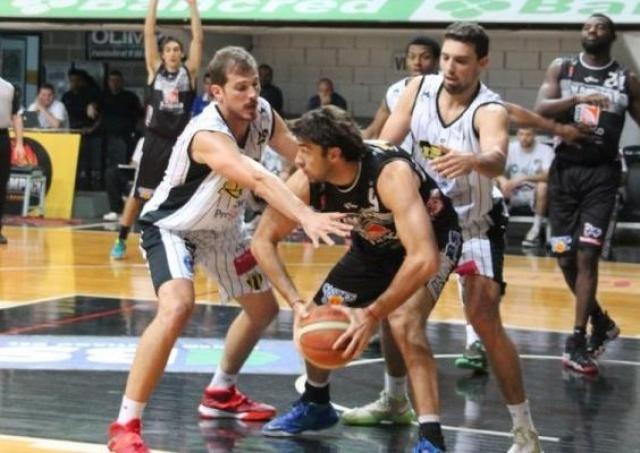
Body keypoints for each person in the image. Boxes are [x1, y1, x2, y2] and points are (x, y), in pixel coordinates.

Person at [106, 46, 351, 453]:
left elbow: (301, 157)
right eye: (241, 87)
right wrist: (306, 216)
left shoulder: (263, 114)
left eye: (255, 85)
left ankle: (220, 392)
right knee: (178, 306)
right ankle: (125, 424)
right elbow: (258, 179)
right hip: (174, 227)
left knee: (263, 309)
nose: (252, 94)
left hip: (222, 230)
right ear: (216, 92)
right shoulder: (207, 134)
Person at [252, 106, 461, 453]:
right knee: (317, 313)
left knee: (404, 321)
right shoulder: (307, 181)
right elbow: (262, 241)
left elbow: (423, 259)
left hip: (432, 241)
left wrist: (373, 313)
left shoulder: (389, 174)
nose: (297, 159)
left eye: (305, 150)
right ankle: (316, 404)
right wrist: (296, 303)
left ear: (334, 154)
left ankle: (431, 439)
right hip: (372, 246)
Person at [380, 22, 542, 452]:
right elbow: (385, 142)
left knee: (484, 319)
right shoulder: (418, 89)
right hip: (427, 228)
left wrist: (474, 160)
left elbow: (497, 156)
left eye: (462, 61)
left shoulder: (489, 109)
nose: (450, 68)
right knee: (398, 314)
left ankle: (525, 432)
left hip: (474, 227)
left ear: (483, 63)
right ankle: (396, 402)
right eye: (447, 58)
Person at [535, 13, 640, 374]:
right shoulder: (563, 68)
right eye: (587, 26)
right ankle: (601, 321)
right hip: (565, 171)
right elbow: (540, 109)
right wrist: (577, 98)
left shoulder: (625, 79)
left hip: (602, 175)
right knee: (564, 258)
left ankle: (577, 339)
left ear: (612, 36)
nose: (591, 30)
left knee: (587, 255)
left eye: (599, 27)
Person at [110, 0, 203, 260]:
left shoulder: (189, 72)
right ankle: (120, 239)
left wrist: (192, 7)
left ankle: (188, 242)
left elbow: (198, 39)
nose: (173, 53)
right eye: (169, 50)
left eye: (177, 50)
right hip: (155, 140)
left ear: (181, 54)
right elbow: (149, 33)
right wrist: (153, 3)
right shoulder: (155, 70)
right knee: (140, 193)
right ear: (162, 55)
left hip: (180, 143)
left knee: (185, 194)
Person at [362, 36, 441, 151]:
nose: (417, 62)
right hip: (402, 159)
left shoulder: (447, 89)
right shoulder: (395, 91)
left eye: (425, 57)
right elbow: (374, 131)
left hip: (437, 157)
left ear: (437, 60)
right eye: (412, 57)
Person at [497, 127, 554, 247]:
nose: (524, 138)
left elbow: (549, 175)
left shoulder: (545, 150)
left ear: (534, 135)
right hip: (513, 192)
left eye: (528, 134)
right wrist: (503, 181)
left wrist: (523, 178)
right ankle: (496, 228)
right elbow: (495, 170)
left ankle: (535, 230)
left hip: (535, 194)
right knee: (494, 183)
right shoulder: (510, 148)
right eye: (521, 134)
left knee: (543, 186)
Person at [0, 77, 25, 245]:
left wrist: (19, 144)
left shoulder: (9, 87)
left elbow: (16, 116)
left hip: (2, 136)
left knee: (1, 185)